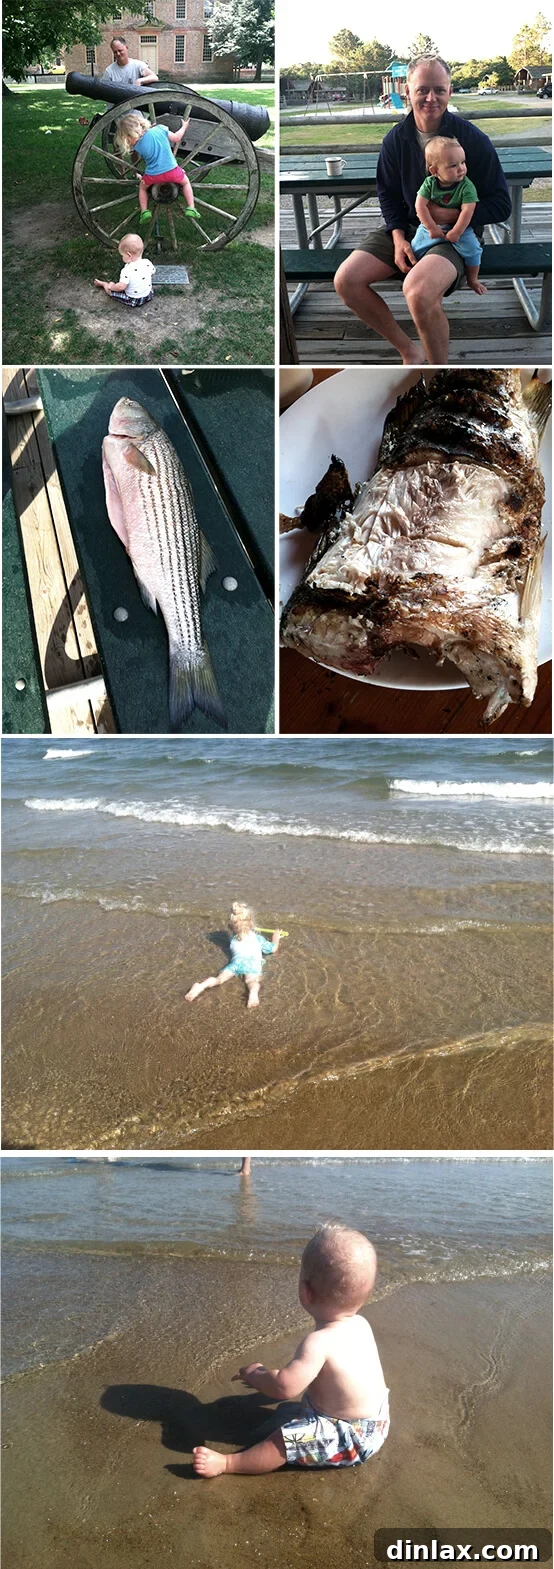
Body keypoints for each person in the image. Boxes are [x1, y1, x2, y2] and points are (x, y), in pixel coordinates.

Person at [334, 54, 511, 365]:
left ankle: (438, 374)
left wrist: (451, 218)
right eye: (423, 90)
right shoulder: (395, 140)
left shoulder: (472, 140)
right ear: (408, 92)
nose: (431, 98)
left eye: (439, 90)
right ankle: (409, 353)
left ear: (450, 92)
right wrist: (400, 238)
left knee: (417, 292)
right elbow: (387, 195)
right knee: (346, 280)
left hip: (456, 234)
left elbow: (501, 204)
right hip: (406, 226)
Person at [193, 1223, 389, 1476]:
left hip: (350, 1440)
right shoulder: (361, 1325)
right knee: (304, 1402)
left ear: (306, 1292)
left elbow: (283, 1387)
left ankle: (229, 1464)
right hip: (377, 1424)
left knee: (283, 1442)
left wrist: (256, 1373)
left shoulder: (318, 1342)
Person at [412, 137, 486, 296]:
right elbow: (420, 205)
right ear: (435, 171)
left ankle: (473, 279)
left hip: (459, 227)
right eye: (453, 165)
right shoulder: (429, 183)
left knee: (473, 250)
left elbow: (468, 211)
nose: (461, 169)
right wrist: (431, 227)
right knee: (415, 247)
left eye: (463, 162)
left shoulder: (466, 185)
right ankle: (416, 273)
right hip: (431, 225)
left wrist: (457, 232)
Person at [185, 903, 280, 1010]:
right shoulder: (258, 939)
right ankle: (253, 993)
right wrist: (276, 937)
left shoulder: (232, 940)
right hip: (252, 965)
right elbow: (273, 949)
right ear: (251, 923)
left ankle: (200, 986)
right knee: (251, 981)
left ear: (231, 927)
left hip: (235, 964)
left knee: (219, 979)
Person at [113, 111, 199, 223]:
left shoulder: (137, 146)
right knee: (186, 183)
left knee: (142, 189)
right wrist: (184, 127)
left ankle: (144, 211)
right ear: (141, 123)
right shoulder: (160, 128)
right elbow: (176, 138)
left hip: (152, 176)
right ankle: (191, 207)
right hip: (173, 172)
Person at [93, 233, 155, 307]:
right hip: (149, 295)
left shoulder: (127, 270)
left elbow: (121, 287)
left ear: (129, 255)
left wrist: (112, 286)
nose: (122, 257)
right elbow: (153, 272)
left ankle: (103, 284)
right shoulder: (147, 262)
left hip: (134, 299)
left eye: (122, 255)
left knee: (110, 292)